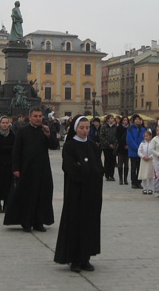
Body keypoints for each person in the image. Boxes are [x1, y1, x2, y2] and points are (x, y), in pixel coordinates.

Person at [54, 116, 103, 273]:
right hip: (76, 192)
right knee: (75, 223)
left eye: (87, 127)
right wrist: (85, 170)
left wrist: (86, 168)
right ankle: (74, 259)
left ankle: (85, 258)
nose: (85, 130)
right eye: (82, 127)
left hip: (92, 192)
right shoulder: (69, 146)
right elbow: (70, 168)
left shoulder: (93, 146)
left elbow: (99, 169)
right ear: (76, 128)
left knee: (89, 224)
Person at [4, 107, 59, 232]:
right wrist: (15, 168)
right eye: (35, 116)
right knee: (27, 196)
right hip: (26, 169)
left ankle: (38, 222)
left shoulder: (45, 130)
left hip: (42, 169)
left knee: (42, 195)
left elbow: (54, 146)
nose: (38, 118)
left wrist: (49, 135)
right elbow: (16, 151)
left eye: (40, 116)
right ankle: (26, 222)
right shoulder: (22, 131)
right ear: (30, 117)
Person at [126, 115, 146, 189]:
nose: (138, 121)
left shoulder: (143, 129)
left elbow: (145, 139)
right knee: (133, 168)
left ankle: (139, 182)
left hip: (141, 152)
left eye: (139, 119)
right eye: (136, 119)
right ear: (133, 120)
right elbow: (129, 140)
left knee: (140, 168)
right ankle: (133, 182)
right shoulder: (130, 129)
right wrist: (137, 149)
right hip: (133, 151)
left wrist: (142, 149)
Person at [98, 115, 117, 181]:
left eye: (113, 118)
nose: (112, 119)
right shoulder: (104, 126)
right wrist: (108, 144)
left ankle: (112, 175)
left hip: (114, 146)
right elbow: (101, 136)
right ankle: (107, 175)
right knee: (107, 160)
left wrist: (114, 144)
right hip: (106, 146)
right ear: (108, 119)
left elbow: (117, 136)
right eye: (111, 118)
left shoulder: (115, 127)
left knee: (113, 161)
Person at [137, 129, 154, 194]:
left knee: (150, 175)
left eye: (147, 136)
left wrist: (150, 157)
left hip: (150, 161)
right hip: (143, 161)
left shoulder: (152, 143)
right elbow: (139, 151)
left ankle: (150, 188)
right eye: (144, 136)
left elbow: (154, 151)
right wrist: (143, 156)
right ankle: (144, 188)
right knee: (143, 175)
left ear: (150, 136)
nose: (145, 137)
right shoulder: (142, 143)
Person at [150, 125, 159, 197]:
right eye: (157, 130)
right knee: (158, 175)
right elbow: (152, 149)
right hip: (157, 159)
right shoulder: (154, 139)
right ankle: (156, 189)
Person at [115, 116, 130, 185]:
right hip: (121, 148)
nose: (125, 121)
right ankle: (121, 179)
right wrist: (124, 145)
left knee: (126, 164)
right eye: (124, 120)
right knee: (120, 163)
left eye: (126, 120)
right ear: (122, 121)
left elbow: (130, 138)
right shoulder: (118, 128)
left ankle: (125, 179)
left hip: (128, 149)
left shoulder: (129, 128)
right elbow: (117, 138)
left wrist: (128, 145)